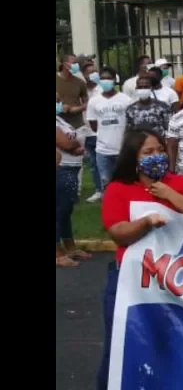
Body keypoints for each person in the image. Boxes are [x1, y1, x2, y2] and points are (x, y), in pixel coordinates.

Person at [97, 127, 183, 390]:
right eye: (148, 152)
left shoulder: (180, 183)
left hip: (179, 285)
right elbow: (119, 232)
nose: (156, 156)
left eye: (160, 150)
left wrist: (169, 194)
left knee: (174, 349)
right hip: (132, 283)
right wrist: (146, 222)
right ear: (133, 158)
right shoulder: (119, 189)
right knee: (122, 351)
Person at [56, 94, 91, 267]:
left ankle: (70, 246)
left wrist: (74, 143)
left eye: (59, 100)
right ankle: (57, 253)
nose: (59, 104)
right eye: (56, 101)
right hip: (61, 168)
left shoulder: (60, 120)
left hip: (71, 168)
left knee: (66, 211)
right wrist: (74, 144)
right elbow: (65, 143)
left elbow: (71, 141)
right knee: (59, 211)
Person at [88, 68, 133, 190]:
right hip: (103, 151)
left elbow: (131, 122)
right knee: (106, 183)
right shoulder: (94, 101)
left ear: (114, 79)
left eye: (108, 78)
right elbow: (93, 124)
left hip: (122, 149)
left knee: (125, 183)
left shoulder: (126, 100)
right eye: (102, 78)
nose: (105, 81)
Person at [82, 64, 104, 202]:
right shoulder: (81, 89)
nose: (93, 74)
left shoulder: (101, 89)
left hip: (100, 131)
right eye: (90, 72)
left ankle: (105, 189)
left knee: (101, 162)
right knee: (94, 163)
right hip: (85, 130)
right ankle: (99, 189)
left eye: (95, 71)